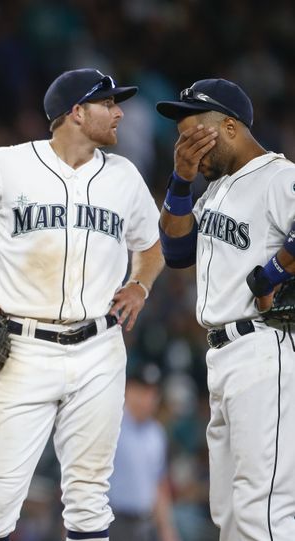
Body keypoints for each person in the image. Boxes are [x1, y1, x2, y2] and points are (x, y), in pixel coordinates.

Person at [0, 68, 165, 541]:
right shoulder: (8, 164)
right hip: (26, 348)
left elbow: (150, 247)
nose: (119, 113)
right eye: (108, 104)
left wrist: (141, 285)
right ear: (76, 112)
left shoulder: (124, 176)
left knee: (90, 500)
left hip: (100, 347)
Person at [157, 78, 295, 540]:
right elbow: (176, 252)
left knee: (263, 506)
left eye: (193, 131)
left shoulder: (278, 175)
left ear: (230, 126)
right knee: (230, 511)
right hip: (222, 357)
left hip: (265, 348)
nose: (185, 142)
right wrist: (180, 178)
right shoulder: (216, 188)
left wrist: (273, 272)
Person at [108, 364, 180, 541]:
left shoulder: (157, 434)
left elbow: (158, 484)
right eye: (141, 391)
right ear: (128, 390)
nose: (147, 399)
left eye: (152, 393)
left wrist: (167, 529)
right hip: (112, 522)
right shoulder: (111, 425)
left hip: (145, 525)